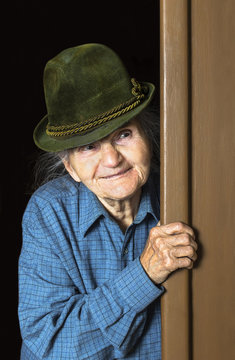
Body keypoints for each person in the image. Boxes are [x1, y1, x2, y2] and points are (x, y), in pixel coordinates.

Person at [18, 43, 197, 360]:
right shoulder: (48, 213)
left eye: (123, 134)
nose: (112, 159)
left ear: (148, 137)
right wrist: (144, 274)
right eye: (88, 147)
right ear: (70, 167)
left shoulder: (188, 195)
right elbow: (50, 344)